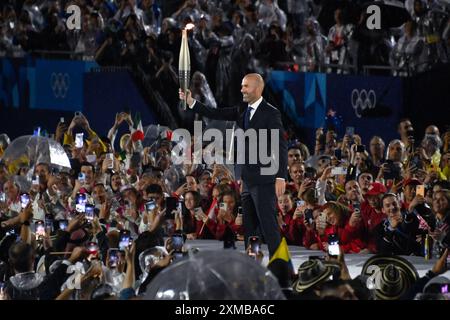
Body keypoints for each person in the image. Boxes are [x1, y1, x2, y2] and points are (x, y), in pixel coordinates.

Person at [179, 73, 288, 256]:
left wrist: (280, 176)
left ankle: (281, 265)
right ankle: (252, 260)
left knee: (269, 226)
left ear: (258, 88)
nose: (242, 90)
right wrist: (192, 102)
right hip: (247, 179)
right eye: (242, 85)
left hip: (264, 179)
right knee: (250, 228)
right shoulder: (242, 111)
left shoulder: (271, 113)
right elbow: (216, 112)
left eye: (246, 86)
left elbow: (280, 145)